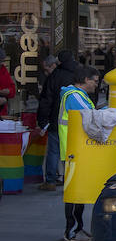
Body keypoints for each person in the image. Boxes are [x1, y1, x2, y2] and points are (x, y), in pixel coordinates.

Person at [58, 65, 100, 241]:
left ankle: (78, 228)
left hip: (76, 150)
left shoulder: (78, 95)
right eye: (95, 81)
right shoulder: (74, 96)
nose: (96, 85)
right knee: (75, 194)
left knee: (78, 192)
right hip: (73, 151)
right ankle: (72, 231)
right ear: (86, 80)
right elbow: (92, 117)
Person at [37, 50, 79, 190]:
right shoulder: (80, 73)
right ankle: (71, 179)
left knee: (54, 151)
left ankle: (50, 181)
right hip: (76, 119)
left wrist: (43, 121)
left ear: (59, 62)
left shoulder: (55, 76)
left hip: (57, 119)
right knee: (72, 150)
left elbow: (46, 100)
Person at [0, 48, 15, 117]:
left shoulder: (3, 70)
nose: (2, 63)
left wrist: (8, 91)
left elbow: (13, 90)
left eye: (2, 61)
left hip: (2, 113)